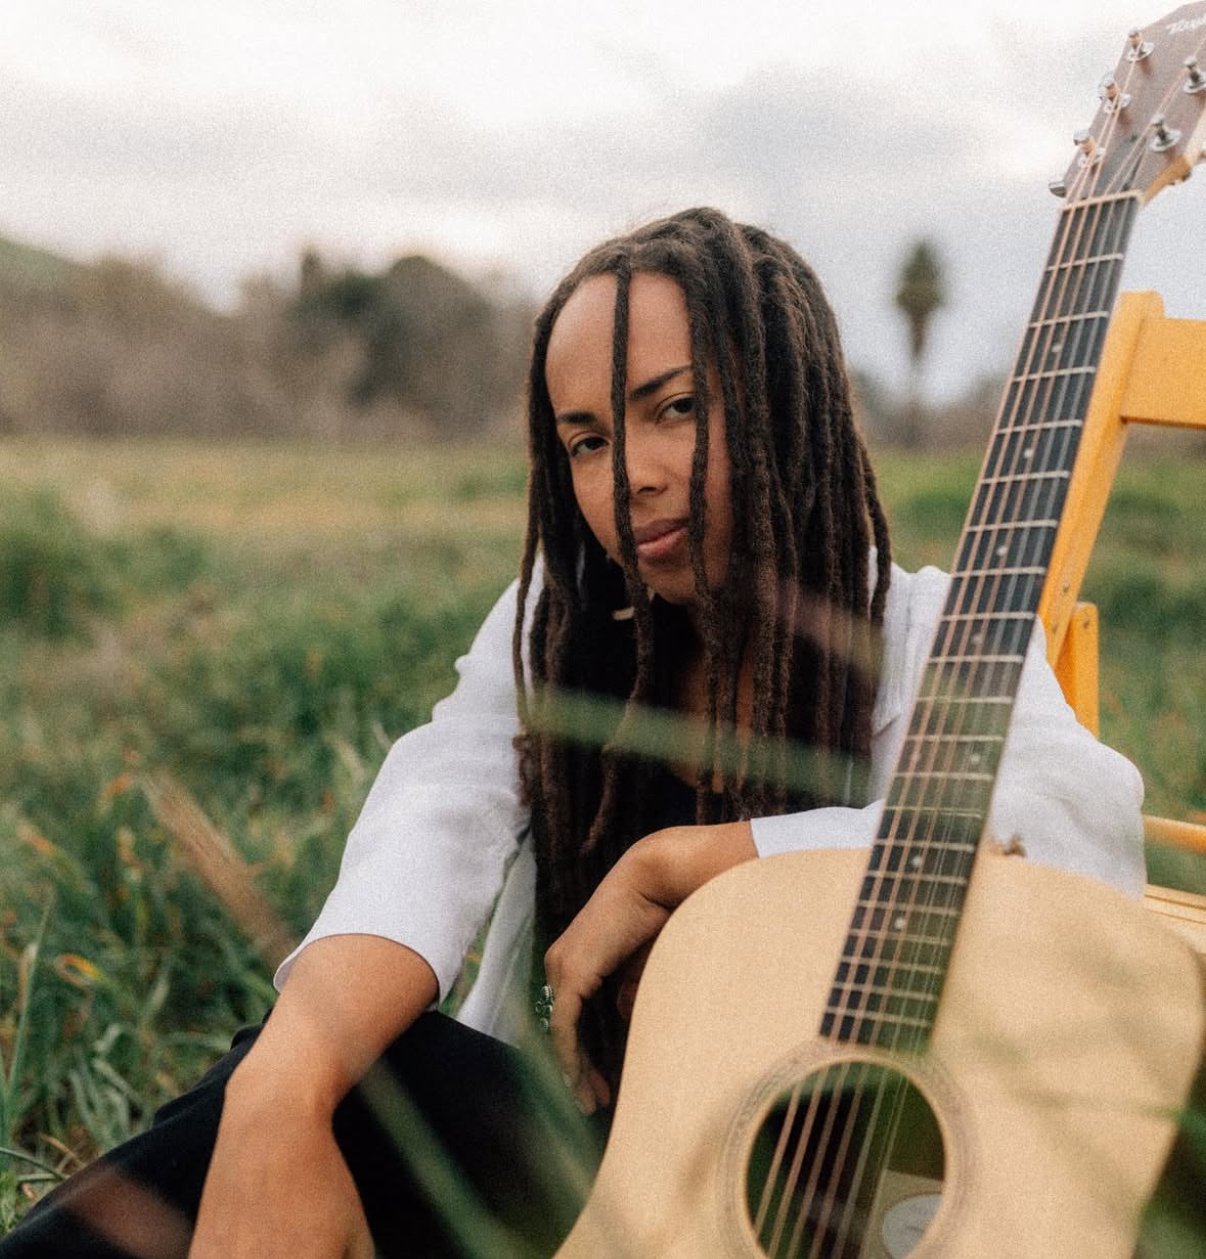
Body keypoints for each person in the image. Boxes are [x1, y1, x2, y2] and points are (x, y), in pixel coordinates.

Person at [0, 207, 1144, 1257]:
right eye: (587, 439)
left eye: (676, 407)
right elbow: (431, 825)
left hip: (834, 1210)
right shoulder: (566, 630)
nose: (632, 476)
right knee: (318, 1078)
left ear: (786, 397)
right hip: (586, 1192)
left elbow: (1061, 831)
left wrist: (689, 862)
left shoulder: (930, 629)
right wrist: (282, 1089)